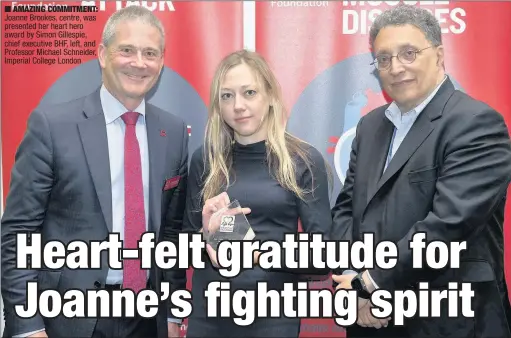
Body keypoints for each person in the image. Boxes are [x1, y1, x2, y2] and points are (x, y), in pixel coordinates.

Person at [1, 6, 187, 338]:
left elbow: (170, 235)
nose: (139, 62)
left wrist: (173, 314)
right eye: (126, 50)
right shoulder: (51, 126)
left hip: (147, 320)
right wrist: (27, 326)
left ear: (161, 62)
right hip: (66, 319)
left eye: (150, 53)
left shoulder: (172, 133)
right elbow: (18, 233)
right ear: (102, 54)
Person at [330, 4, 511, 337]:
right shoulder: (370, 127)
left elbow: (449, 224)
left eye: (409, 53)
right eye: (384, 59)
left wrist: (370, 283)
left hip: (448, 319)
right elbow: (346, 210)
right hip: (371, 319)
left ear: (439, 56)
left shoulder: (476, 123)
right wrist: (352, 274)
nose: (396, 67)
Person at [182, 50, 332, 337]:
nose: (238, 105)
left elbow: (322, 257)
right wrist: (206, 232)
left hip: (272, 317)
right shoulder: (206, 159)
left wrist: (256, 256)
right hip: (209, 315)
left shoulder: (302, 159)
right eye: (227, 96)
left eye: (249, 92)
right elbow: (185, 248)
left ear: (270, 95)